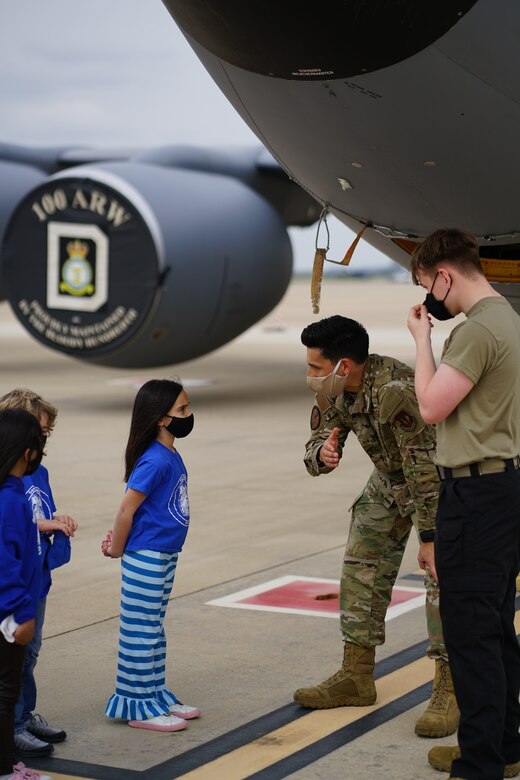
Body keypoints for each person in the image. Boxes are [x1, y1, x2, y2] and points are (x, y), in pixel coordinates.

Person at [293, 315, 459, 739]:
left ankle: (450, 685)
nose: (310, 376)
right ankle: (356, 675)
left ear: (343, 365)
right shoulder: (338, 388)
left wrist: (430, 539)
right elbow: (317, 442)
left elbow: (424, 470)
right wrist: (322, 455)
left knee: (443, 580)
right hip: (390, 481)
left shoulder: (395, 392)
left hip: (437, 482)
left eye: (315, 368)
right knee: (360, 564)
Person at [407, 228, 520, 780]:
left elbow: (430, 406)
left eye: (427, 282)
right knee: (495, 625)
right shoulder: (509, 320)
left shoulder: (476, 332)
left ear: (444, 274)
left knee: (471, 634)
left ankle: (480, 765)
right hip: (501, 487)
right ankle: (504, 744)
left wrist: (422, 341)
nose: (429, 294)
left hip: (475, 493)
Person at [102, 378, 200, 732]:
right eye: (182, 411)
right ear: (161, 419)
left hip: (163, 553)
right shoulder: (155, 461)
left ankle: (153, 692)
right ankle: (138, 706)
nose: (188, 416)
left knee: (153, 629)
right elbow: (127, 510)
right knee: (140, 631)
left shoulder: (169, 453)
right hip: (147, 556)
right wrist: (116, 548)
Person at [0, 390, 77, 761]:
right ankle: (12, 728)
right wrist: (43, 523)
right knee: (16, 657)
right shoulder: (8, 483)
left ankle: (23, 716)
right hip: (16, 588)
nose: (44, 440)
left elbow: (39, 511)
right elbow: (14, 528)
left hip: (37, 578)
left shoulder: (37, 472)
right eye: (39, 433)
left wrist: (55, 520)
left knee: (31, 654)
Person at [0, 408, 53, 780]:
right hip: (10, 615)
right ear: (25, 451)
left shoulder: (13, 494)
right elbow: (5, 565)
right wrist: (24, 613)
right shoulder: (9, 502)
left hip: (11, 608)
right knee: (5, 696)